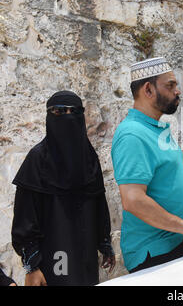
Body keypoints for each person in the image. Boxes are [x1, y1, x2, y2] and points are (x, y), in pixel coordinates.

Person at [111, 57, 183, 274]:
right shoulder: (132, 134)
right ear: (148, 89)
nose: (178, 91)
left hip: (171, 243)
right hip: (152, 253)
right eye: (170, 85)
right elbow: (133, 200)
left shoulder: (156, 128)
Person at [11, 91, 115, 286]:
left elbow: (99, 203)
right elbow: (25, 218)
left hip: (85, 254)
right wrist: (32, 266)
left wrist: (104, 244)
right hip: (53, 257)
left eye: (73, 111)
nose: (68, 116)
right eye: (60, 111)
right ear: (49, 116)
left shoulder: (89, 158)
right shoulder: (37, 160)